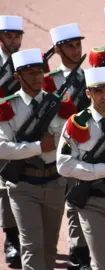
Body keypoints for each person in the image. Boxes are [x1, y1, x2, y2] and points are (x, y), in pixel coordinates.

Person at [0, 48, 75, 269]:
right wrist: (38, 147)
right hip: (23, 185)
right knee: (32, 246)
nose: (36, 77)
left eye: (39, 72)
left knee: (49, 246)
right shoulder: (7, 107)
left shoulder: (57, 103)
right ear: (17, 77)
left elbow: (68, 141)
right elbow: (3, 148)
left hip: (53, 182)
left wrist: (57, 146)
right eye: (30, 72)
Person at [56, 66, 105, 270]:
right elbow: (63, 165)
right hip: (91, 201)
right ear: (88, 93)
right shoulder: (76, 123)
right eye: (98, 91)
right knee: (102, 265)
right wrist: (101, 170)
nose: (104, 95)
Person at [42, 22, 91, 270]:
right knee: (74, 200)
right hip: (66, 147)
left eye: (78, 44)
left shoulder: (91, 75)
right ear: (58, 51)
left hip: (93, 146)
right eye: (69, 46)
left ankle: (86, 248)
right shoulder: (49, 81)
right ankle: (78, 248)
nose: (75, 50)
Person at [0, 14, 23, 268]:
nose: (14, 41)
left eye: (17, 36)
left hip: (23, 128)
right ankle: (11, 239)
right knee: (4, 188)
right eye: (9, 36)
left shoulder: (26, 63)